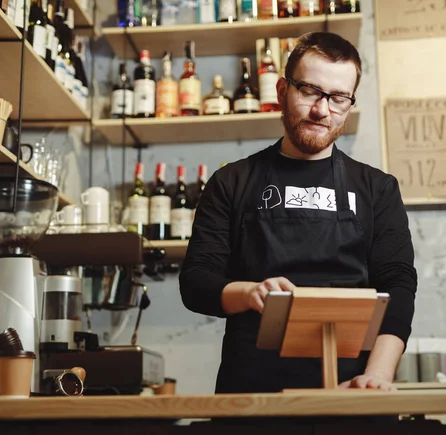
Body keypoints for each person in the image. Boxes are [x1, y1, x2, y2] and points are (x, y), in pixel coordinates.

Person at [179, 32, 417, 395]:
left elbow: (397, 287)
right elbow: (196, 283)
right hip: (253, 398)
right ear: (281, 91)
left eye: (338, 98)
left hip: (353, 390)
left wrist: (379, 375)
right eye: (309, 91)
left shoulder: (378, 188)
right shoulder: (231, 181)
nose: (322, 110)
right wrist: (250, 293)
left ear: (349, 105)